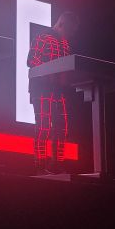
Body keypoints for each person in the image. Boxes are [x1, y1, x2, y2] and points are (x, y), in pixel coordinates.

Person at [27, 11, 79, 174]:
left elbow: (68, 67)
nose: (69, 35)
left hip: (59, 91)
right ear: (61, 24)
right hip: (41, 89)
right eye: (69, 30)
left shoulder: (65, 43)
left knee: (61, 128)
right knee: (43, 128)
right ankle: (40, 164)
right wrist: (51, 74)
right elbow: (31, 61)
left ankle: (56, 164)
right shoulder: (42, 38)